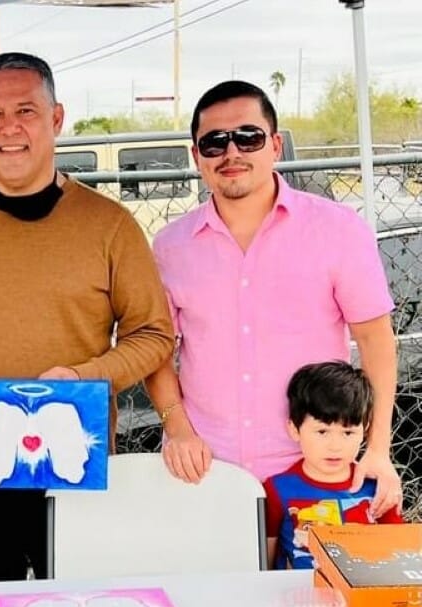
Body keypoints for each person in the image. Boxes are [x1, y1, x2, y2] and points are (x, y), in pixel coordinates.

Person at [0, 53, 175, 583]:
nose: (9, 129)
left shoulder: (109, 225)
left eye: (26, 110)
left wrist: (84, 375)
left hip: (75, 464)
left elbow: (153, 334)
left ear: (56, 119)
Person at [144, 80, 403, 518]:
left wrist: (377, 448)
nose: (232, 153)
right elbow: (154, 350)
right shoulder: (170, 247)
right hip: (206, 474)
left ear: (275, 145)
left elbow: (377, 342)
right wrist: (178, 428)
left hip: (314, 475)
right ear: (196, 156)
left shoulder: (337, 230)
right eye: (214, 142)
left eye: (248, 137)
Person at [264, 362, 404, 570]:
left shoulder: (377, 487)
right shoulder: (277, 489)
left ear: (364, 430)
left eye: (348, 433)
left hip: (362, 596)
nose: (336, 446)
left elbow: (399, 551)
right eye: (322, 432)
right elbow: (266, 560)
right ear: (294, 429)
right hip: (302, 598)